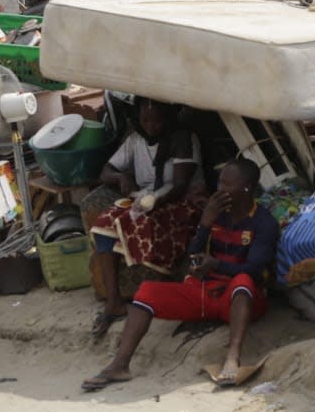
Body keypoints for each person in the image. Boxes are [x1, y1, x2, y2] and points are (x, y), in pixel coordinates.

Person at [82, 158, 278, 390]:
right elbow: (194, 252)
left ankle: (233, 359)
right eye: (220, 183)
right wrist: (205, 223)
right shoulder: (216, 213)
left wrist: (215, 264)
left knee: (243, 281)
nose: (220, 190)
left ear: (247, 188)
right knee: (146, 292)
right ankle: (120, 365)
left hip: (241, 299)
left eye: (227, 185)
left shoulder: (264, 222)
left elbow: (253, 270)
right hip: (206, 290)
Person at [87, 98, 208, 339]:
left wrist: (152, 201)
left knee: (139, 224)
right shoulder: (135, 140)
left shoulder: (184, 139)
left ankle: (164, 296)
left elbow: (180, 185)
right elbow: (105, 171)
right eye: (145, 120)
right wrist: (120, 178)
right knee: (103, 223)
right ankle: (113, 301)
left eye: (157, 120)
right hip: (144, 200)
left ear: (169, 118)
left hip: (181, 199)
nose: (151, 126)